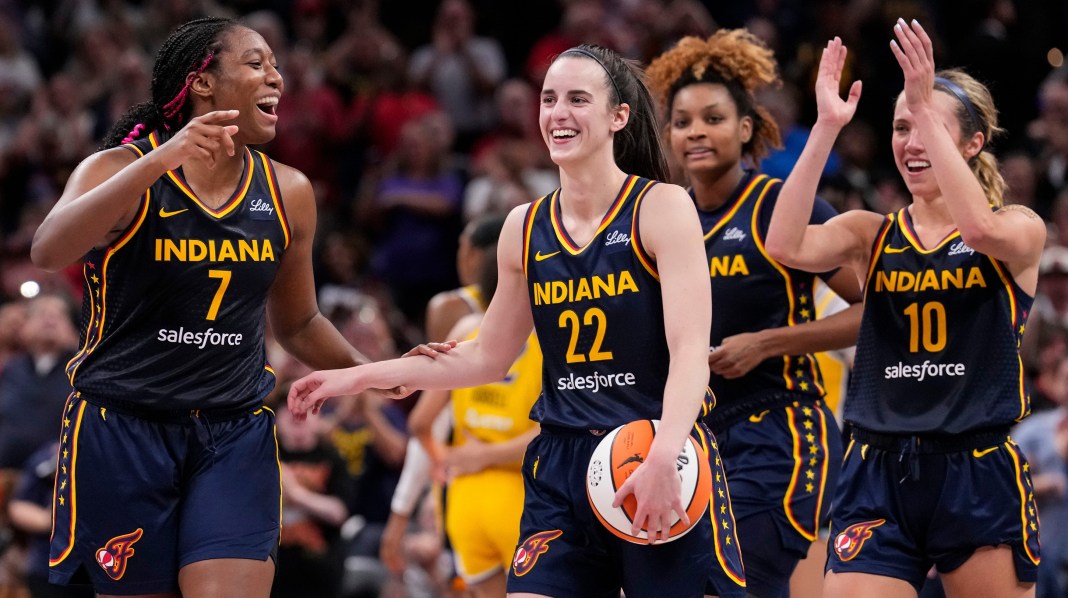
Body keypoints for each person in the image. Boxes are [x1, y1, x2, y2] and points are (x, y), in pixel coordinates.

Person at [289, 43, 747, 597]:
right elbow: (488, 356)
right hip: (561, 464)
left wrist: (665, 453)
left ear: (617, 116)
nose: (559, 112)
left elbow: (691, 351)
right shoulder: (522, 228)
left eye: (579, 99)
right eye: (549, 98)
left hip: (653, 447)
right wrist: (356, 375)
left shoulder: (661, 207)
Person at [27, 17, 411, 597]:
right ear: (202, 81)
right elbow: (48, 249)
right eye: (257, 64)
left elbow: (299, 322)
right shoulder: (118, 170)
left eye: (276, 66)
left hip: (233, 430)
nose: (276, 78)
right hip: (123, 428)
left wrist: (370, 371)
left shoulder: (289, 191)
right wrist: (158, 160)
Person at [765, 20, 1046, 597]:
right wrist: (824, 129)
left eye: (926, 126)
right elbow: (784, 245)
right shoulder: (872, 233)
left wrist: (919, 99)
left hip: (974, 466)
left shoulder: (1018, 227)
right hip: (876, 467)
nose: (910, 141)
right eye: (900, 126)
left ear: (972, 143)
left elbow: (979, 227)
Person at [645, 29, 862, 598]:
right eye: (683, 121)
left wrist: (767, 342)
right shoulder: (663, 221)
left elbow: (878, 309)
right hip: (694, 438)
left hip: (783, 428)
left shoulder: (780, 206)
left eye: (713, 118)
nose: (696, 131)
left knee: (740, 581)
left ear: (746, 129)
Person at [406, 246, 543, 598]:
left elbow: (420, 422)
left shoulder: (466, 330)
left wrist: (445, 463)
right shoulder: (546, 335)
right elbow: (548, 434)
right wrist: (487, 456)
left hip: (464, 501)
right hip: (522, 496)